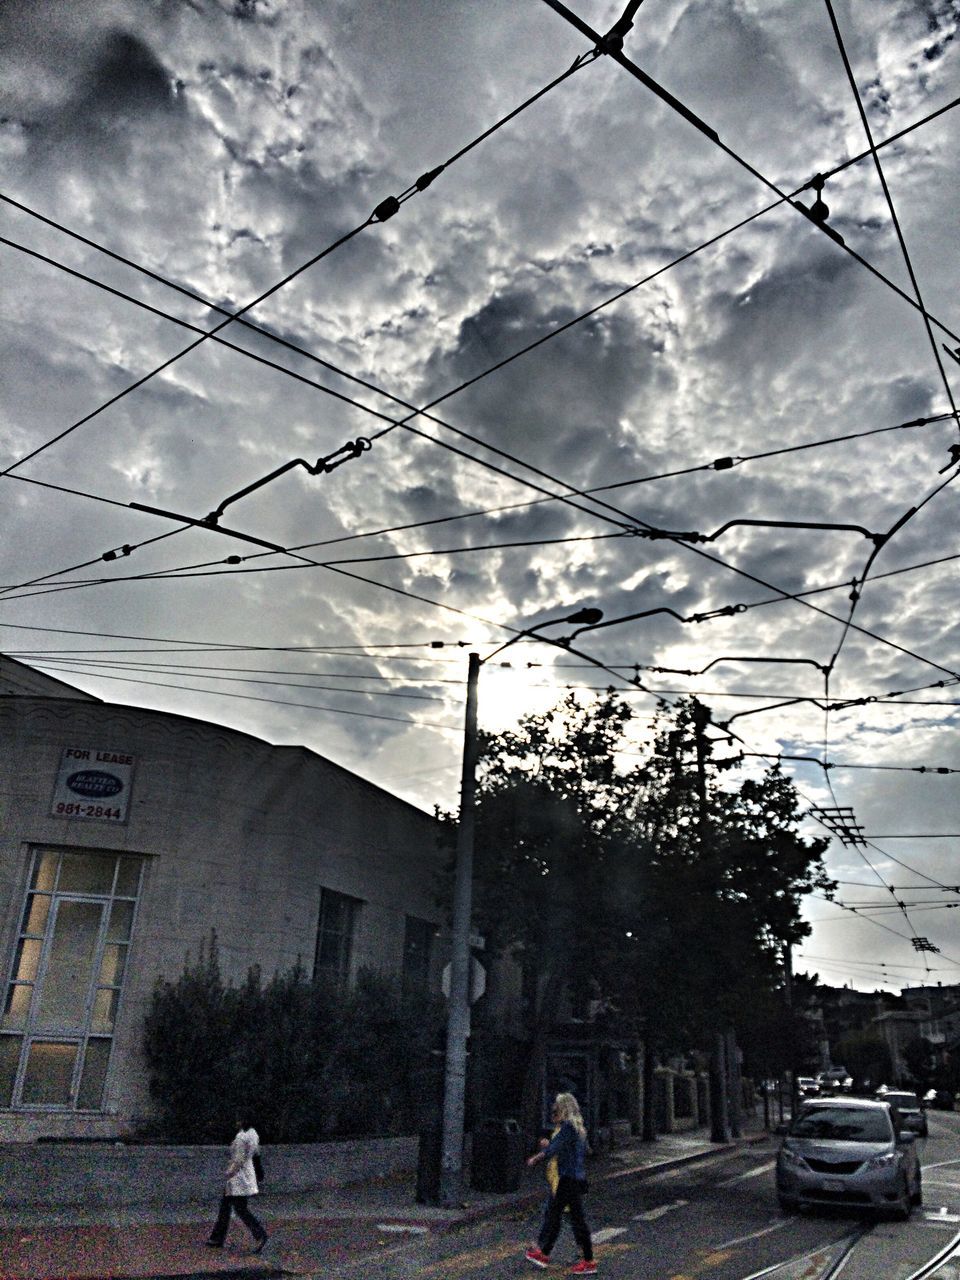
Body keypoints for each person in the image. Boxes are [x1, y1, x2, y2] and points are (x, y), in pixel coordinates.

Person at [524, 1092, 596, 1274]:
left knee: (560, 1217)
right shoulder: (579, 1128)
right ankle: (581, 1259)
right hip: (576, 1178)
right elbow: (585, 1150)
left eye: (557, 1106)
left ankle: (584, 1260)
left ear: (563, 1108)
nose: (554, 1109)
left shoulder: (568, 1128)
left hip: (568, 1178)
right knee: (567, 1218)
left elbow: (553, 1149)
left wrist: (535, 1158)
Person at [206, 1114, 269, 1253]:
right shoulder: (253, 1134)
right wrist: (259, 1173)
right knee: (226, 1205)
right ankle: (217, 1237)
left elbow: (239, 1160)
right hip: (247, 1174)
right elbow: (256, 1154)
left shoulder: (241, 1138)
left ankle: (259, 1234)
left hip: (238, 1177)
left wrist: (229, 1172)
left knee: (239, 1208)